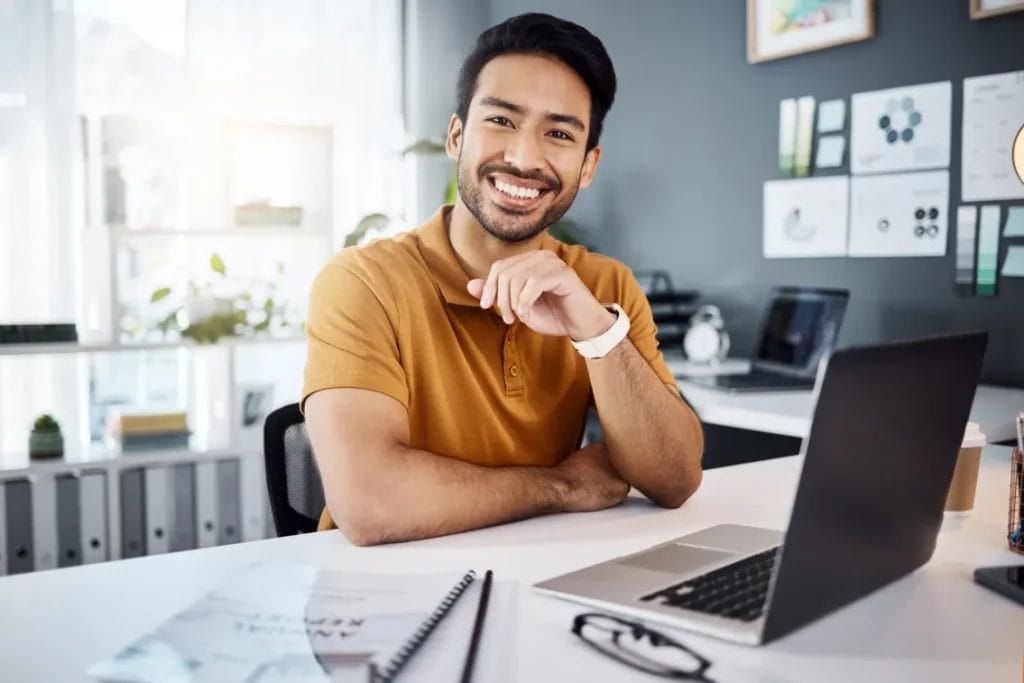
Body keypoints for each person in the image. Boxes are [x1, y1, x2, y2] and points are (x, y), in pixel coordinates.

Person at [302, 13, 703, 546]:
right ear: (456, 136)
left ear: (587, 165)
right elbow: (372, 504)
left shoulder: (604, 286)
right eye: (501, 121)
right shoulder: (362, 282)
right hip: (383, 598)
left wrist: (597, 332)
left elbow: (675, 479)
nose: (522, 157)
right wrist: (561, 486)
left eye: (559, 133)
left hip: (539, 584)